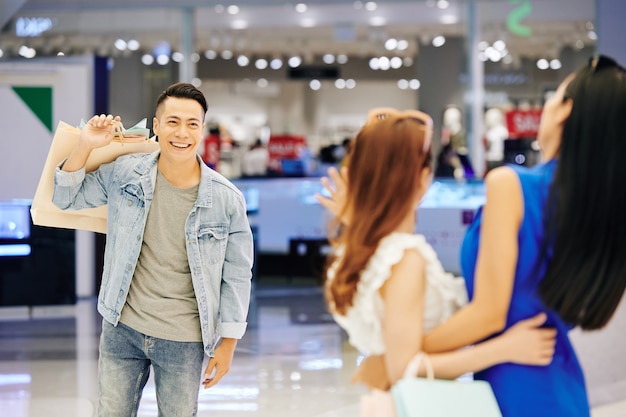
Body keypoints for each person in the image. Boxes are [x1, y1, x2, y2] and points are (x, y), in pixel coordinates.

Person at [323, 55, 626, 416]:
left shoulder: (512, 185)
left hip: (516, 382)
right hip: (552, 377)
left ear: (565, 110)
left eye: (553, 97)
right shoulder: (597, 205)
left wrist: (394, 357)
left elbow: (489, 314)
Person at [316, 107, 556, 394]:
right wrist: (503, 349)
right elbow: (403, 367)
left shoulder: (362, 251)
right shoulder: (404, 258)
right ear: (423, 178)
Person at [52, 82, 254, 416]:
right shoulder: (125, 173)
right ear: (156, 126)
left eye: (192, 124)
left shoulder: (226, 200)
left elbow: (237, 274)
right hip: (123, 328)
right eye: (172, 122)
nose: (182, 133)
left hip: (184, 338)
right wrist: (85, 145)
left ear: (202, 130)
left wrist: (228, 342)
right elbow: (66, 197)